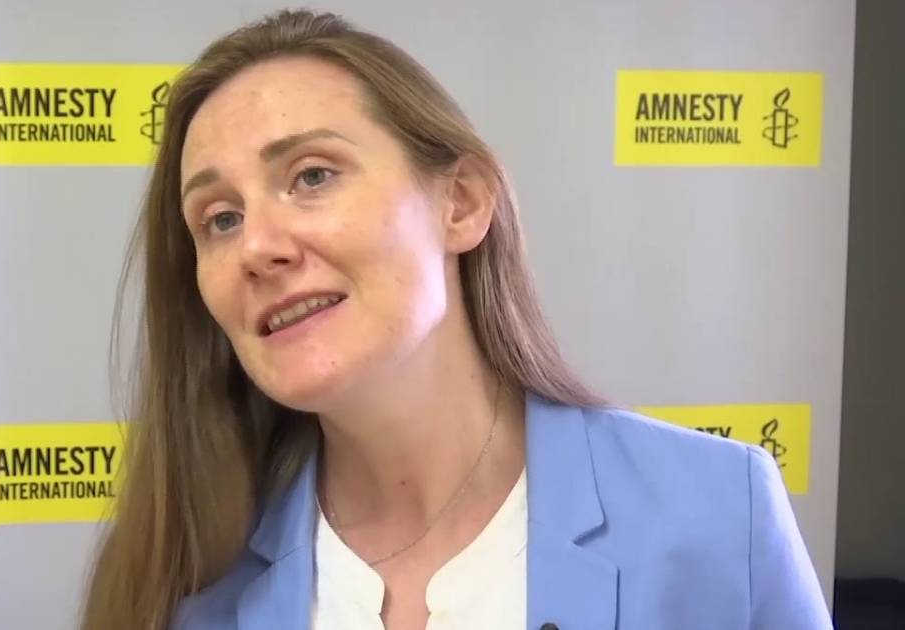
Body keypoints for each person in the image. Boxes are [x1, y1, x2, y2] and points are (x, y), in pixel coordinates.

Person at [81, 9, 831, 630]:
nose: (257, 247)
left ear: (462, 202)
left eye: (311, 176)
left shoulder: (719, 515)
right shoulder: (176, 574)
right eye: (219, 218)